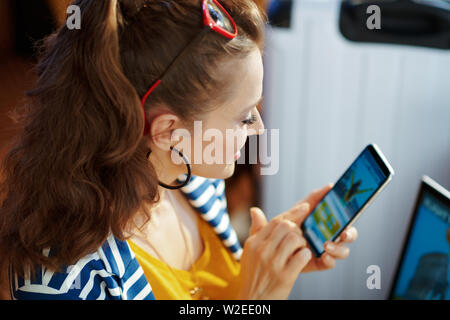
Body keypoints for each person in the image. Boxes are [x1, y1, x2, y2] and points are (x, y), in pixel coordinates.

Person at [0, 0, 357, 300]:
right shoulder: (61, 281)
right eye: (245, 116)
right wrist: (257, 297)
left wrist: (270, 259)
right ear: (170, 131)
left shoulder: (192, 178)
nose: (259, 130)